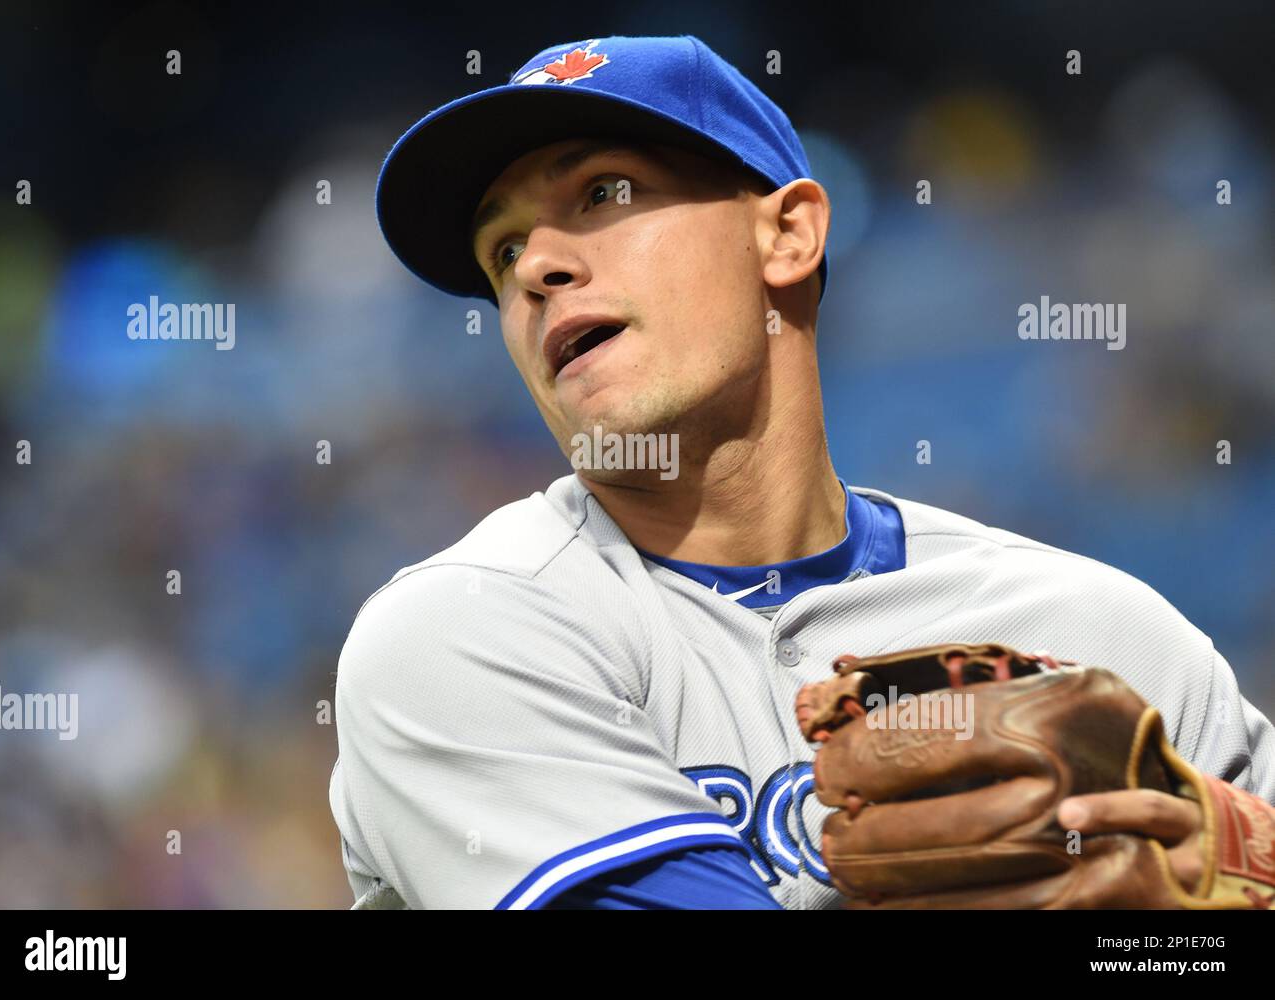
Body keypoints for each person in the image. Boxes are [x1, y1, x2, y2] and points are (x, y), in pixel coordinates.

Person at [328, 35, 1275, 910]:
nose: (535, 264)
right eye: (501, 250)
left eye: (605, 195)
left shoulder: (1110, 634)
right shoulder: (460, 632)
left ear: (788, 235)